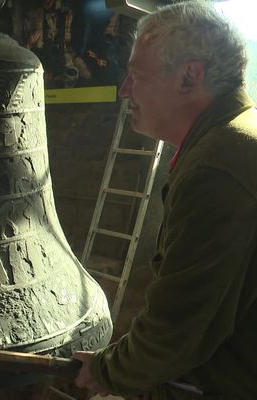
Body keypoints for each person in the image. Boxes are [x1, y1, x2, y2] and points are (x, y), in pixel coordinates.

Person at [73, 2, 257, 399]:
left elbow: (173, 333)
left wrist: (107, 371)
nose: (124, 89)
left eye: (136, 74)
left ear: (189, 77)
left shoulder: (217, 167)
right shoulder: (236, 137)